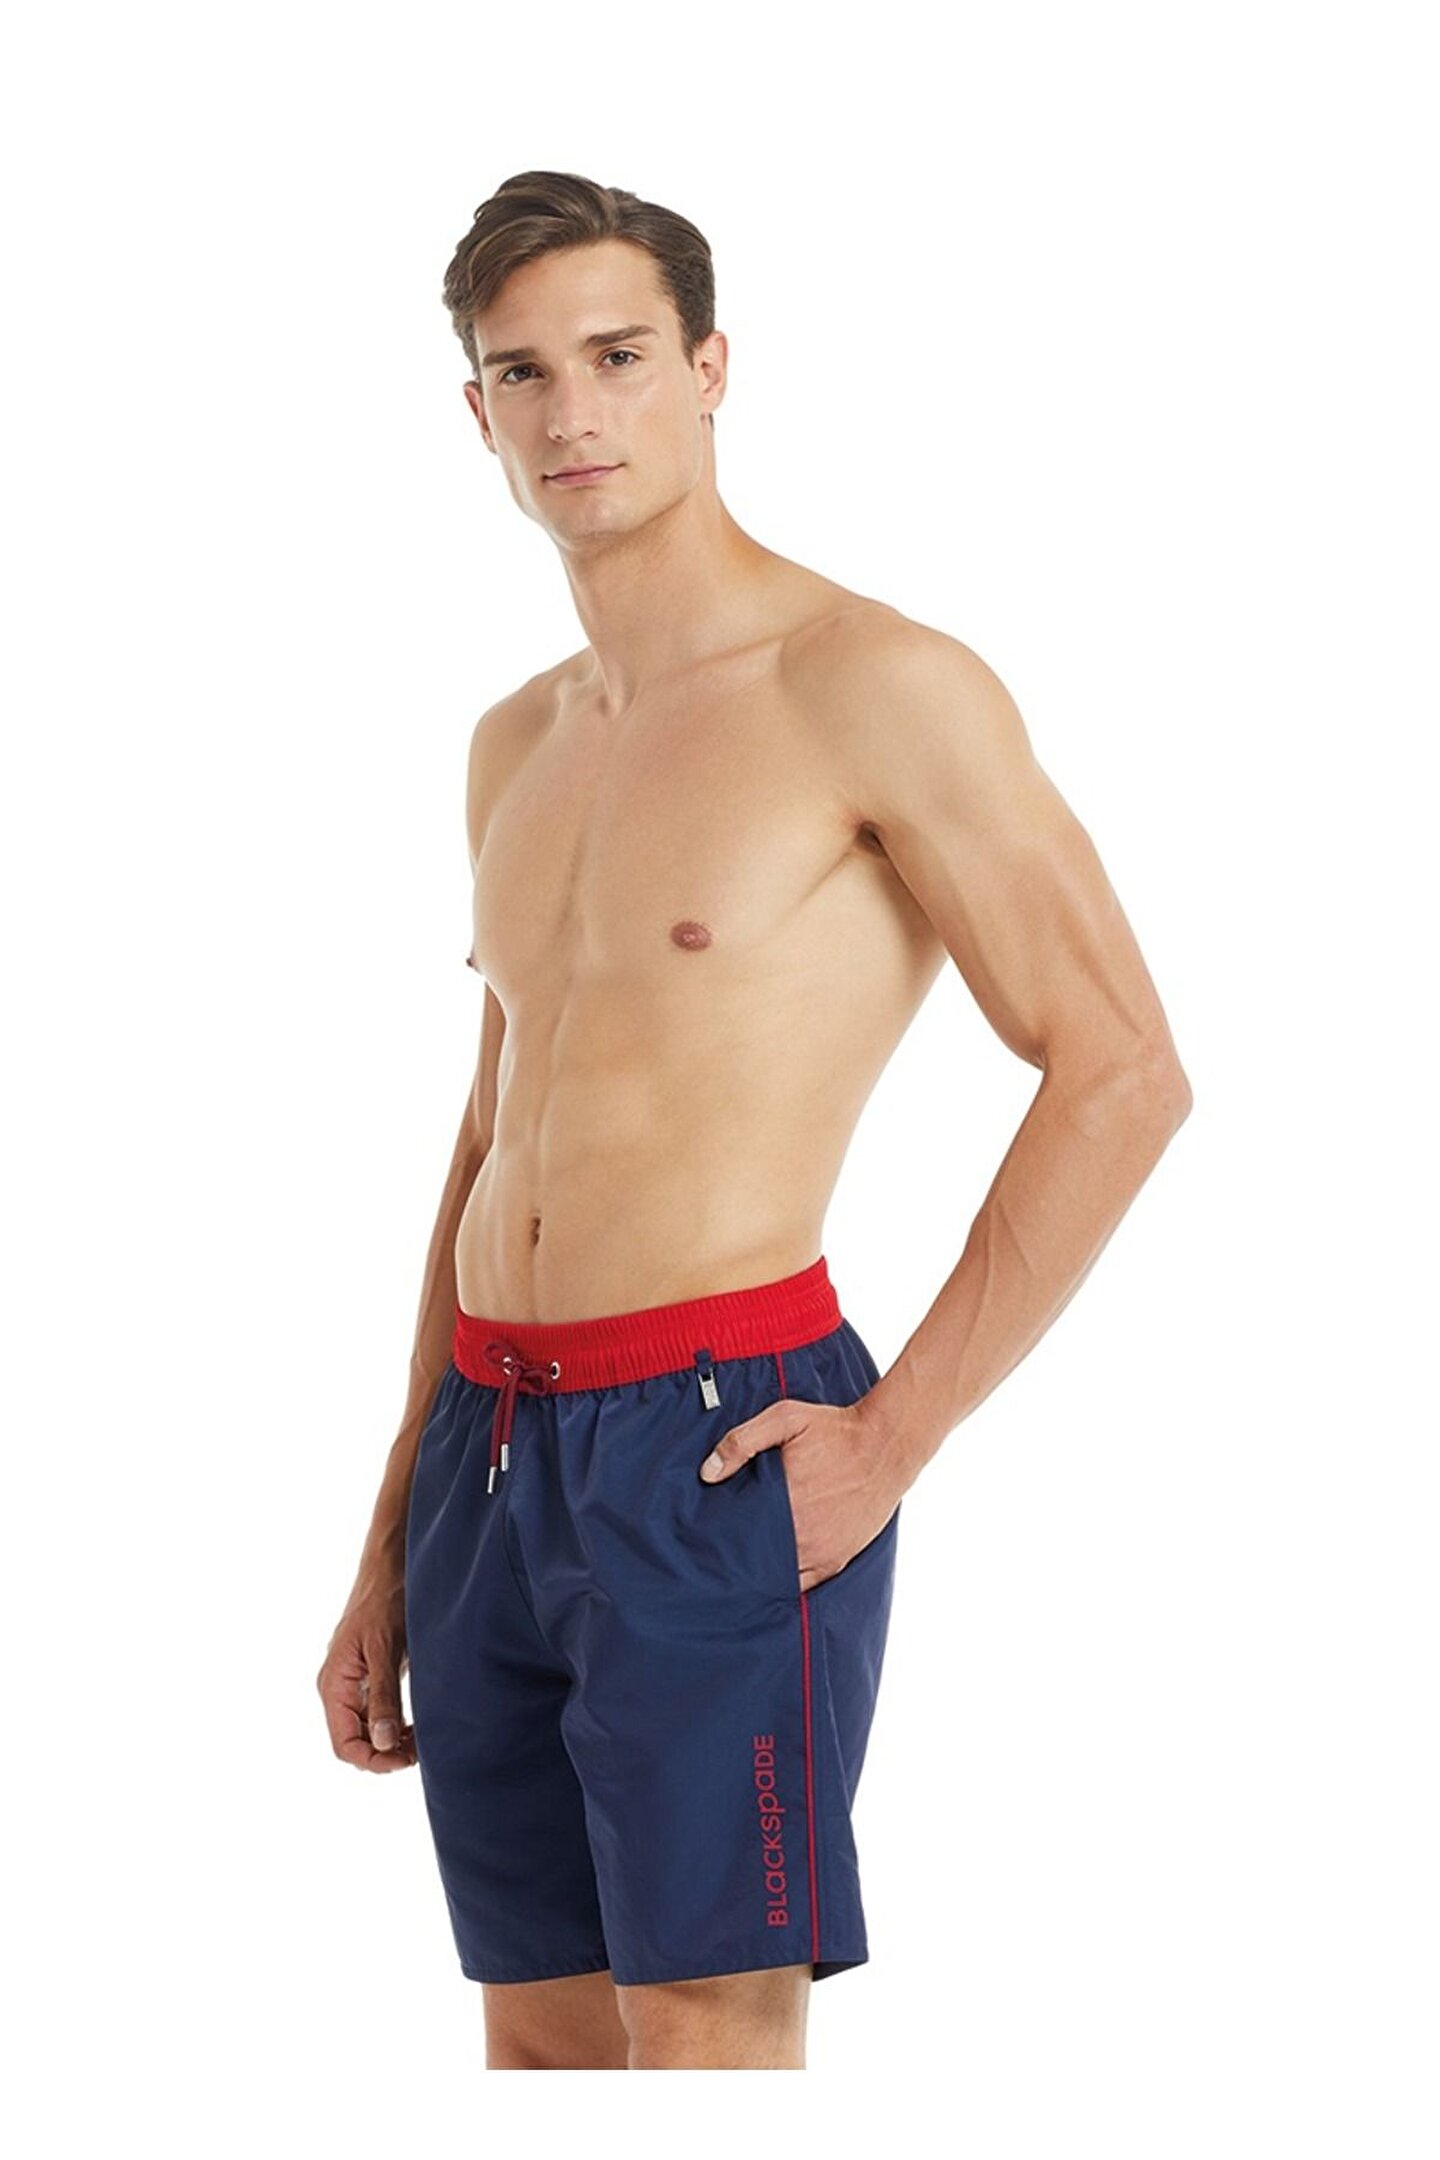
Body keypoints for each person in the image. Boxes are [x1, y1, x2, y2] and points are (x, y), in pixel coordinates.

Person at [315, 169, 1193, 2071]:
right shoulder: (516, 740)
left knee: (705, 2044)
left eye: (619, 356)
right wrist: (391, 1531)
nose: (573, 412)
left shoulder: (874, 686)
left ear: (711, 370)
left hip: (710, 1442)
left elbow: (1124, 1066)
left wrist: (891, 1441)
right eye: (523, 372)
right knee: (545, 2048)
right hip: (486, 1442)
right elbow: (489, 1140)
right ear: (475, 410)